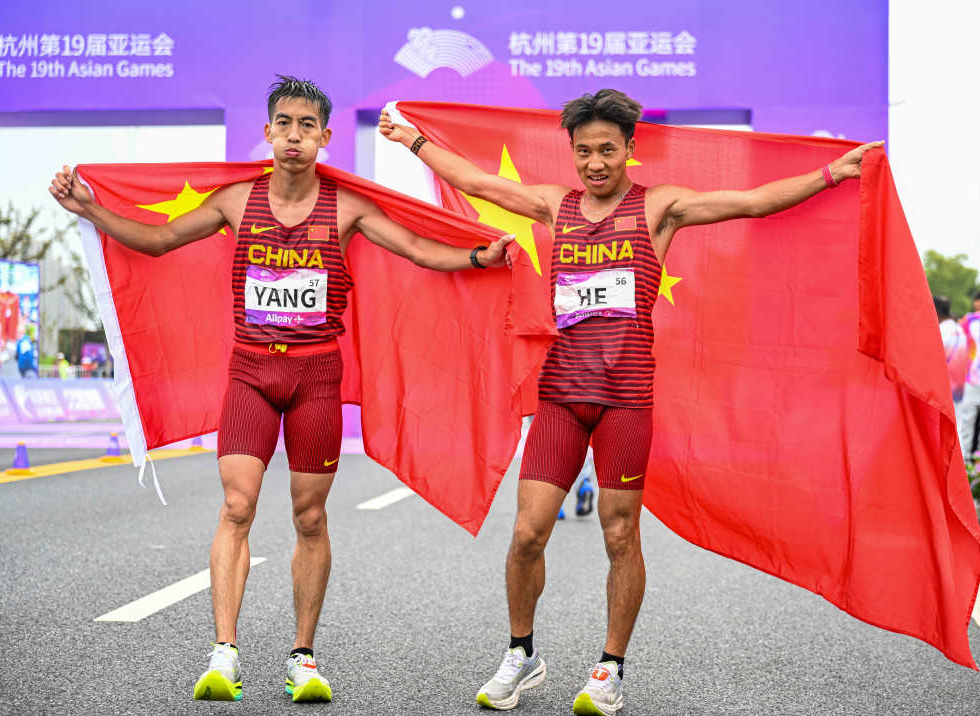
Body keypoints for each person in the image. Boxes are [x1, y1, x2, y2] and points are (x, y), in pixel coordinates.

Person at [380, 89, 882, 715]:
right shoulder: (555, 205)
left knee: (620, 534)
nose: (595, 163)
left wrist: (832, 173)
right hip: (561, 397)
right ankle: (521, 654)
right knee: (528, 532)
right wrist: (414, 141)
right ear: (572, 152)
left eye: (607, 150)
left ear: (629, 149)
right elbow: (478, 183)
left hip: (626, 400)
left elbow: (751, 202)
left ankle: (609, 668)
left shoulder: (659, 208)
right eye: (584, 152)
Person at [50, 75, 512, 705]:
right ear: (268, 133)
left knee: (310, 516)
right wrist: (90, 210)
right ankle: (224, 652)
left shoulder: (346, 208)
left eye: (307, 126)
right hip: (250, 375)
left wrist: (481, 258)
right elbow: (158, 241)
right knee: (236, 507)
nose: (295, 135)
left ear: (325, 137)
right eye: (284, 124)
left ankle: (303, 656)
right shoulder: (237, 201)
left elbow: (416, 250)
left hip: (316, 378)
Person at [959, 290, 980, 466]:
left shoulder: (968, 320)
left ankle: (972, 461)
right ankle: (966, 460)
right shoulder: (969, 320)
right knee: (968, 418)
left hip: (972, 377)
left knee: (969, 419)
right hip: (971, 377)